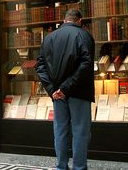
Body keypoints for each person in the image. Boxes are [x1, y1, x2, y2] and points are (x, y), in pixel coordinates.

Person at [36, 9, 95, 170]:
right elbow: (86, 64)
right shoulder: (84, 36)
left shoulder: (49, 38)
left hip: (57, 95)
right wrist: (67, 88)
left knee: (60, 130)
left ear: (64, 20)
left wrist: (52, 89)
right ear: (79, 21)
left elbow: (40, 66)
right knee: (80, 131)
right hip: (79, 92)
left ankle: (61, 166)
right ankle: (79, 167)